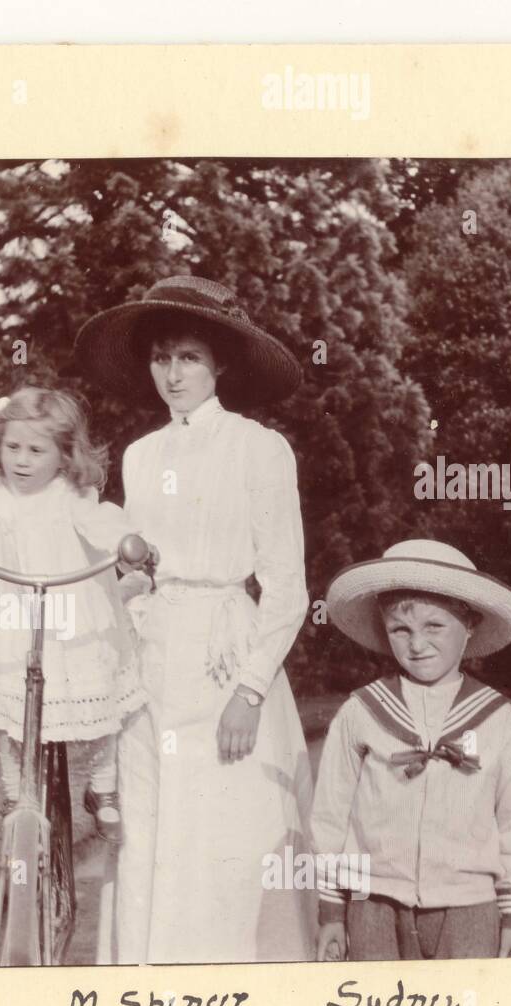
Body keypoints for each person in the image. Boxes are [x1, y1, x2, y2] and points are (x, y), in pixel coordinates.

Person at [74, 275, 316, 963]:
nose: (172, 373)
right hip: (153, 653)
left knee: (225, 833)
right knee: (149, 831)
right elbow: (142, 568)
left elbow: (289, 587)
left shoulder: (258, 448)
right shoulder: (142, 457)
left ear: (220, 365)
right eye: (160, 358)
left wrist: (249, 689)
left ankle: (228, 987)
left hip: (225, 652)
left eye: (188, 357)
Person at [0, 385, 149, 843]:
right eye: (12, 448)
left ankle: (102, 785)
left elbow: (102, 524)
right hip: (10, 617)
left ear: (64, 455)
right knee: (12, 708)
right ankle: (15, 790)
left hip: (71, 618)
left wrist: (129, 547)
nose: (22, 460)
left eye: (35, 450)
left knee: (104, 691)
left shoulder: (71, 493)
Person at [312, 539, 511, 961]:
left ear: (470, 624)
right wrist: (332, 909)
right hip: (373, 903)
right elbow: (331, 814)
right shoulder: (361, 711)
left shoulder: (498, 719)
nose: (417, 644)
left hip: (469, 906)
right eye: (401, 629)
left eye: (434, 626)